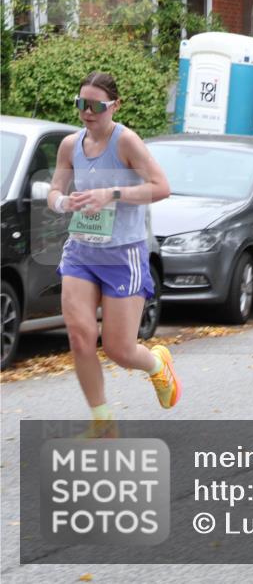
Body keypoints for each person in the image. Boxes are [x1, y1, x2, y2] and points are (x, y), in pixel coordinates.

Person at [48, 72, 179, 437]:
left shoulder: (127, 143)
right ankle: (103, 421)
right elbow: (54, 191)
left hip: (123, 255)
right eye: (80, 104)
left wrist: (112, 194)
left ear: (115, 106)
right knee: (79, 336)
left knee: (119, 349)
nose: (87, 112)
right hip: (81, 251)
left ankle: (157, 364)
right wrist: (64, 202)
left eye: (95, 106)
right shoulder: (69, 145)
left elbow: (162, 187)